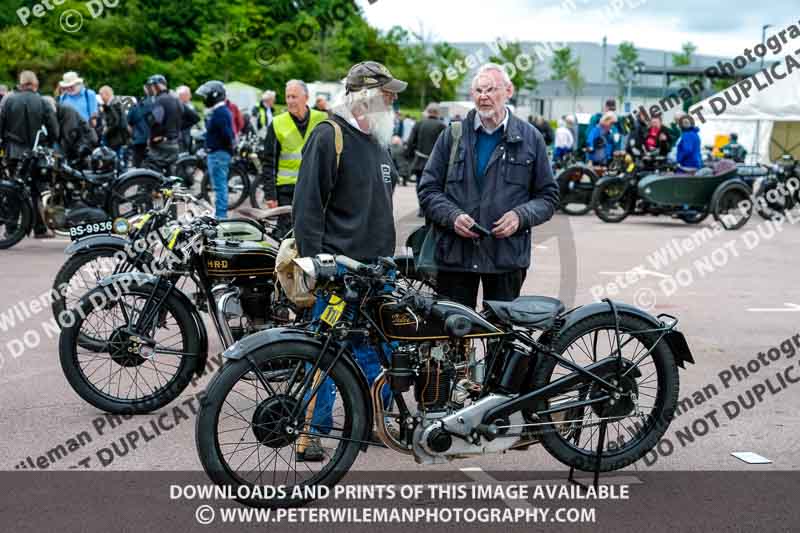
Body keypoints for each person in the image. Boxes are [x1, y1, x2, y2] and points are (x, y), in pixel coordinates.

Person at [293, 60, 406, 461]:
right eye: (387, 93)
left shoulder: (377, 139)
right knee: (324, 353)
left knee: (384, 350)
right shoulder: (329, 136)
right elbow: (306, 206)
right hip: (339, 270)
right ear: (365, 96)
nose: (393, 99)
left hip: (379, 271)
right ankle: (311, 431)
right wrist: (316, 264)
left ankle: (376, 422)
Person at [417, 63, 559, 310]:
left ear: (508, 90)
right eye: (478, 91)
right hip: (455, 258)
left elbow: (548, 196)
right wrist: (452, 216)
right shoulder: (452, 136)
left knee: (501, 341)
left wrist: (520, 216)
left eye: (491, 89)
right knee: (453, 337)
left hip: (506, 259)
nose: (483, 96)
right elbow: (428, 190)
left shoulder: (530, 138)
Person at [259, 79, 327, 239]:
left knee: (314, 232)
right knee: (286, 236)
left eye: (294, 97)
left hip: (316, 188)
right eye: (287, 97)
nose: (290, 101)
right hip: (287, 189)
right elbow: (269, 162)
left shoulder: (323, 119)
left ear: (306, 97)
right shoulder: (277, 123)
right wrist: (270, 195)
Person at [0, 71, 59, 238]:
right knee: (37, 190)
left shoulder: (8, 100)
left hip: (13, 152)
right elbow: (54, 129)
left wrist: (4, 144)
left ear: (21, 83)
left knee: (13, 189)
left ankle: (11, 229)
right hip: (35, 152)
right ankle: (39, 228)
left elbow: (1, 126)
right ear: (35, 84)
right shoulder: (42, 101)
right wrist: (48, 143)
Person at [196, 81, 235, 219]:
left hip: (219, 154)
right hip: (218, 153)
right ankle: (220, 215)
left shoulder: (220, 113)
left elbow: (227, 135)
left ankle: (221, 217)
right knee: (219, 186)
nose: (204, 99)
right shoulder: (219, 111)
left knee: (219, 187)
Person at [143, 74, 182, 174]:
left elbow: (155, 121)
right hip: (174, 142)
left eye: (152, 86)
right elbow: (189, 117)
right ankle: (170, 190)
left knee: (150, 170)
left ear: (157, 85)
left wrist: (154, 138)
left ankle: (149, 189)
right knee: (170, 176)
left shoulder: (160, 100)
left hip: (162, 145)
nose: (151, 89)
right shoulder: (175, 99)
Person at [43, 96, 96, 164]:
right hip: (76, 142)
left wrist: (63, 157)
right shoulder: (55, 112)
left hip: (85, 140)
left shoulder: (66, 110)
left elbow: (69, 133)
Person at [405, 102, 445, 190]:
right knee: (434, 187)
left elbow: (410, 142)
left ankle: (422, 202)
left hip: (420, 162)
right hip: (436, 164)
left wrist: (409, 157)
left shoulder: (419, 124)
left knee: (420, 186)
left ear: (427, 111)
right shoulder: (442, 126)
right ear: (438, 113)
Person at [98, 86, 129, 168]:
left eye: (101, 95)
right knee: (117, 158)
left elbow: (115, 121)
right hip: (117, 137)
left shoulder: (113, 104)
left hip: (114, 138)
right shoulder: (115, 103)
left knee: (114, 159)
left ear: (107, 94)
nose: (101, 97)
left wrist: (106, 131)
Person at [127, 89, 151, 168]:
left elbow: (128, 125)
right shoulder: (155, 105)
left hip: (138, 141)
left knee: (137, 166)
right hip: (153, 141)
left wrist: (133, 135)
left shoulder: (134, 108)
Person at [176, 85, 200, 153]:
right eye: (188, 94)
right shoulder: (177, 106)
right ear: (182, 96)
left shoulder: (190, 105)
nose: (190, 96)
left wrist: (199, 128)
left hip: (188, 134)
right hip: (181, 136)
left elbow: (196, 119)